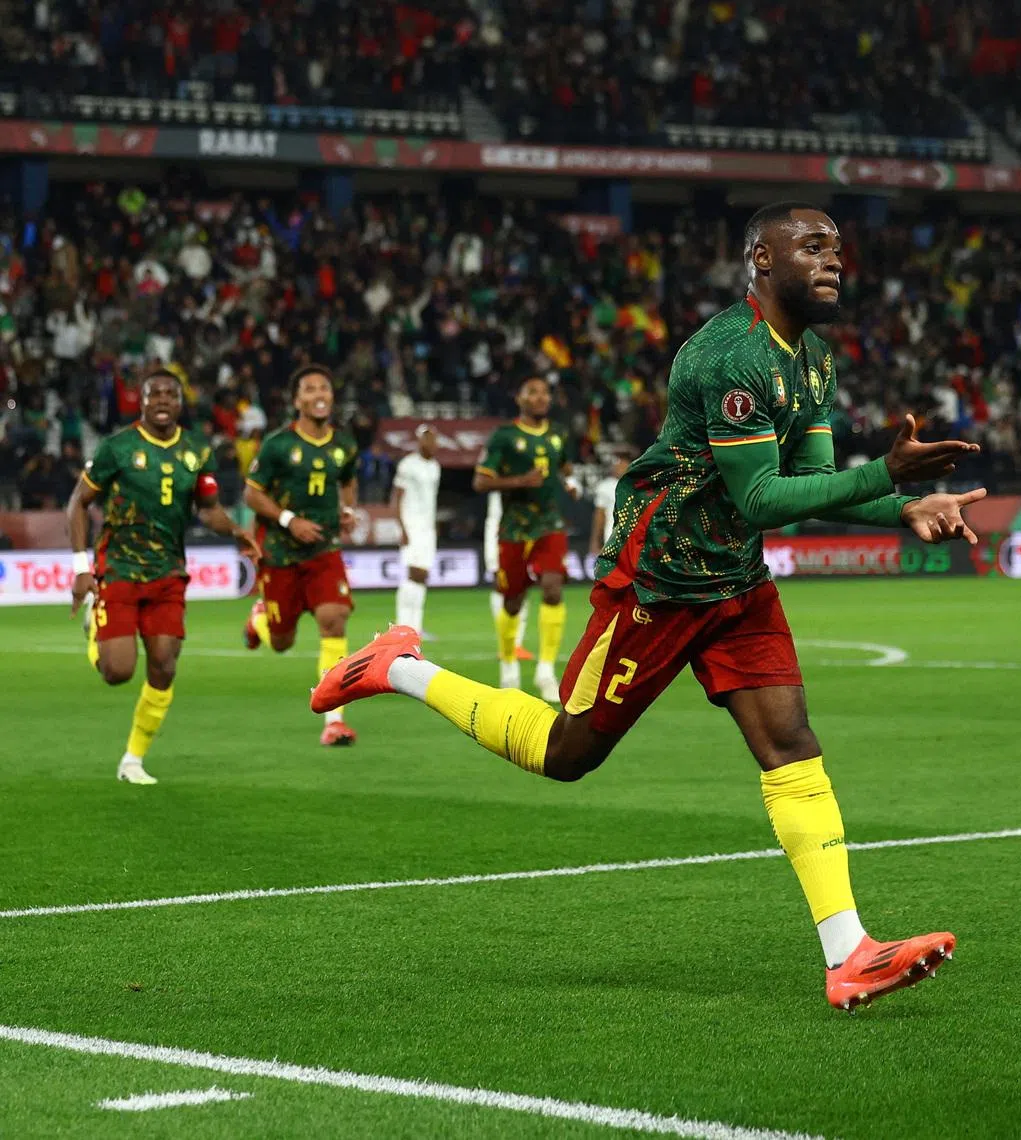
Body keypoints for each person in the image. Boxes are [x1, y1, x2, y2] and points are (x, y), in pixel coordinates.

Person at [313, 202, 985, 1010]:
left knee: (790, 741)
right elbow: (765, 496)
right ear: (760, 262)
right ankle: (400, 667)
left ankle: (850, 955)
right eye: (812, 247)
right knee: (568, 752)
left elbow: (808, 486)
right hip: (660, 577)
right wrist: (888, 477)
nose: (833, 259)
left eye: (837, 247)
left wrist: (900, 508)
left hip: (734, 578)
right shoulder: (726, 357)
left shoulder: (811, 362)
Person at [67, 367, 260, 785]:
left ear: (180, 402)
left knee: (164, 667)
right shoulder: (117, 447)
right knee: (117, 672)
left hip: (169, 573)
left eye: (170, 395)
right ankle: (94, 624)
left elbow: (207, 507)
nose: (162, 401)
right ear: (142, 400)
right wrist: (81, 568)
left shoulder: (195, 449)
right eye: (154, 394)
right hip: (118, 567)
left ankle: (132, 760)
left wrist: (237, 531)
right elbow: (77, 504)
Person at [242, 364, 359, 746]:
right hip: (280, 552)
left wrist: (348, 510)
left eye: (324, 387)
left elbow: (348, 479)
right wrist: (289, 520)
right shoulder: (278, 445)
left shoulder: (344, 445)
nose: (319, 394)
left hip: (324, 549)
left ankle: (334, 720)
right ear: (297, 401)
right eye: (310, 389)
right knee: (281, 641)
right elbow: (252, 494)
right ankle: (259, 619)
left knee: (334, 619)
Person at [473, 376, 575, 702]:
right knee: (513, 600)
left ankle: (546, 671)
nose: (541, 397)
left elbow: (565, 468)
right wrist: (521, 481)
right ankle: (508, 666)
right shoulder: (505, 436)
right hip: (514, 527)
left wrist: (571, 484)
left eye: (545, 392)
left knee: (553, 588)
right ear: (519, 398)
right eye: (533, 392)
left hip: (549, 523)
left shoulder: (559, 434)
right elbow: (480, 482)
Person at [392, 424, 441, 635]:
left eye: (433, 439)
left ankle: (416, 628)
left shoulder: (435, 467)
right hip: (411, 525)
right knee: (413, 574)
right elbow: (396, 499)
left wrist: (433, 525)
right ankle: (402, 626)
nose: (431, 443)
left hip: (427, 528)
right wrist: (401, 527)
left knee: (423, 576)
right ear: (419, 441)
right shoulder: (408, 465)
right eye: (427, 439)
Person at [483, 490, 531, 662]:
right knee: (502, 588)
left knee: (521, 588)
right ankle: (505, 645)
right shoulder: (499, 489)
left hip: (521, 535)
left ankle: (516, 644)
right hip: (501, 537)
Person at [588, 451, 632, 557]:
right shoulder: (605, 486)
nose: (620, 466)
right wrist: (595, 541)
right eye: (617, 463)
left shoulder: (642, 485)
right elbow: (599, 516)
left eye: (623, 463)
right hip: (613, 541)